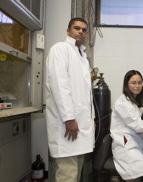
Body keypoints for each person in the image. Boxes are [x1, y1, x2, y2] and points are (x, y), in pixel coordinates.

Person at [45, 17, 95, 182]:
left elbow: (83, 95)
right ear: (68, 31)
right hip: (68, 124)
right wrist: (69, 118)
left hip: (79, 125)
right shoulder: (60, 49)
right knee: (67, 175)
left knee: (76, 172)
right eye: (76, 28)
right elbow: (59, 85)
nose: (80, 31)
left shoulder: (82, 57)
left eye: (84, 29)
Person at [110, 70, 143, 182]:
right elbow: (138, 126)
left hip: (133, 143)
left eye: (140, 83)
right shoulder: (123, 103)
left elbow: (136, 118)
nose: (137, 86)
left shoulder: (130, 101)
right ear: (126, 84)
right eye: (133, 83)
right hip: (126, 146)